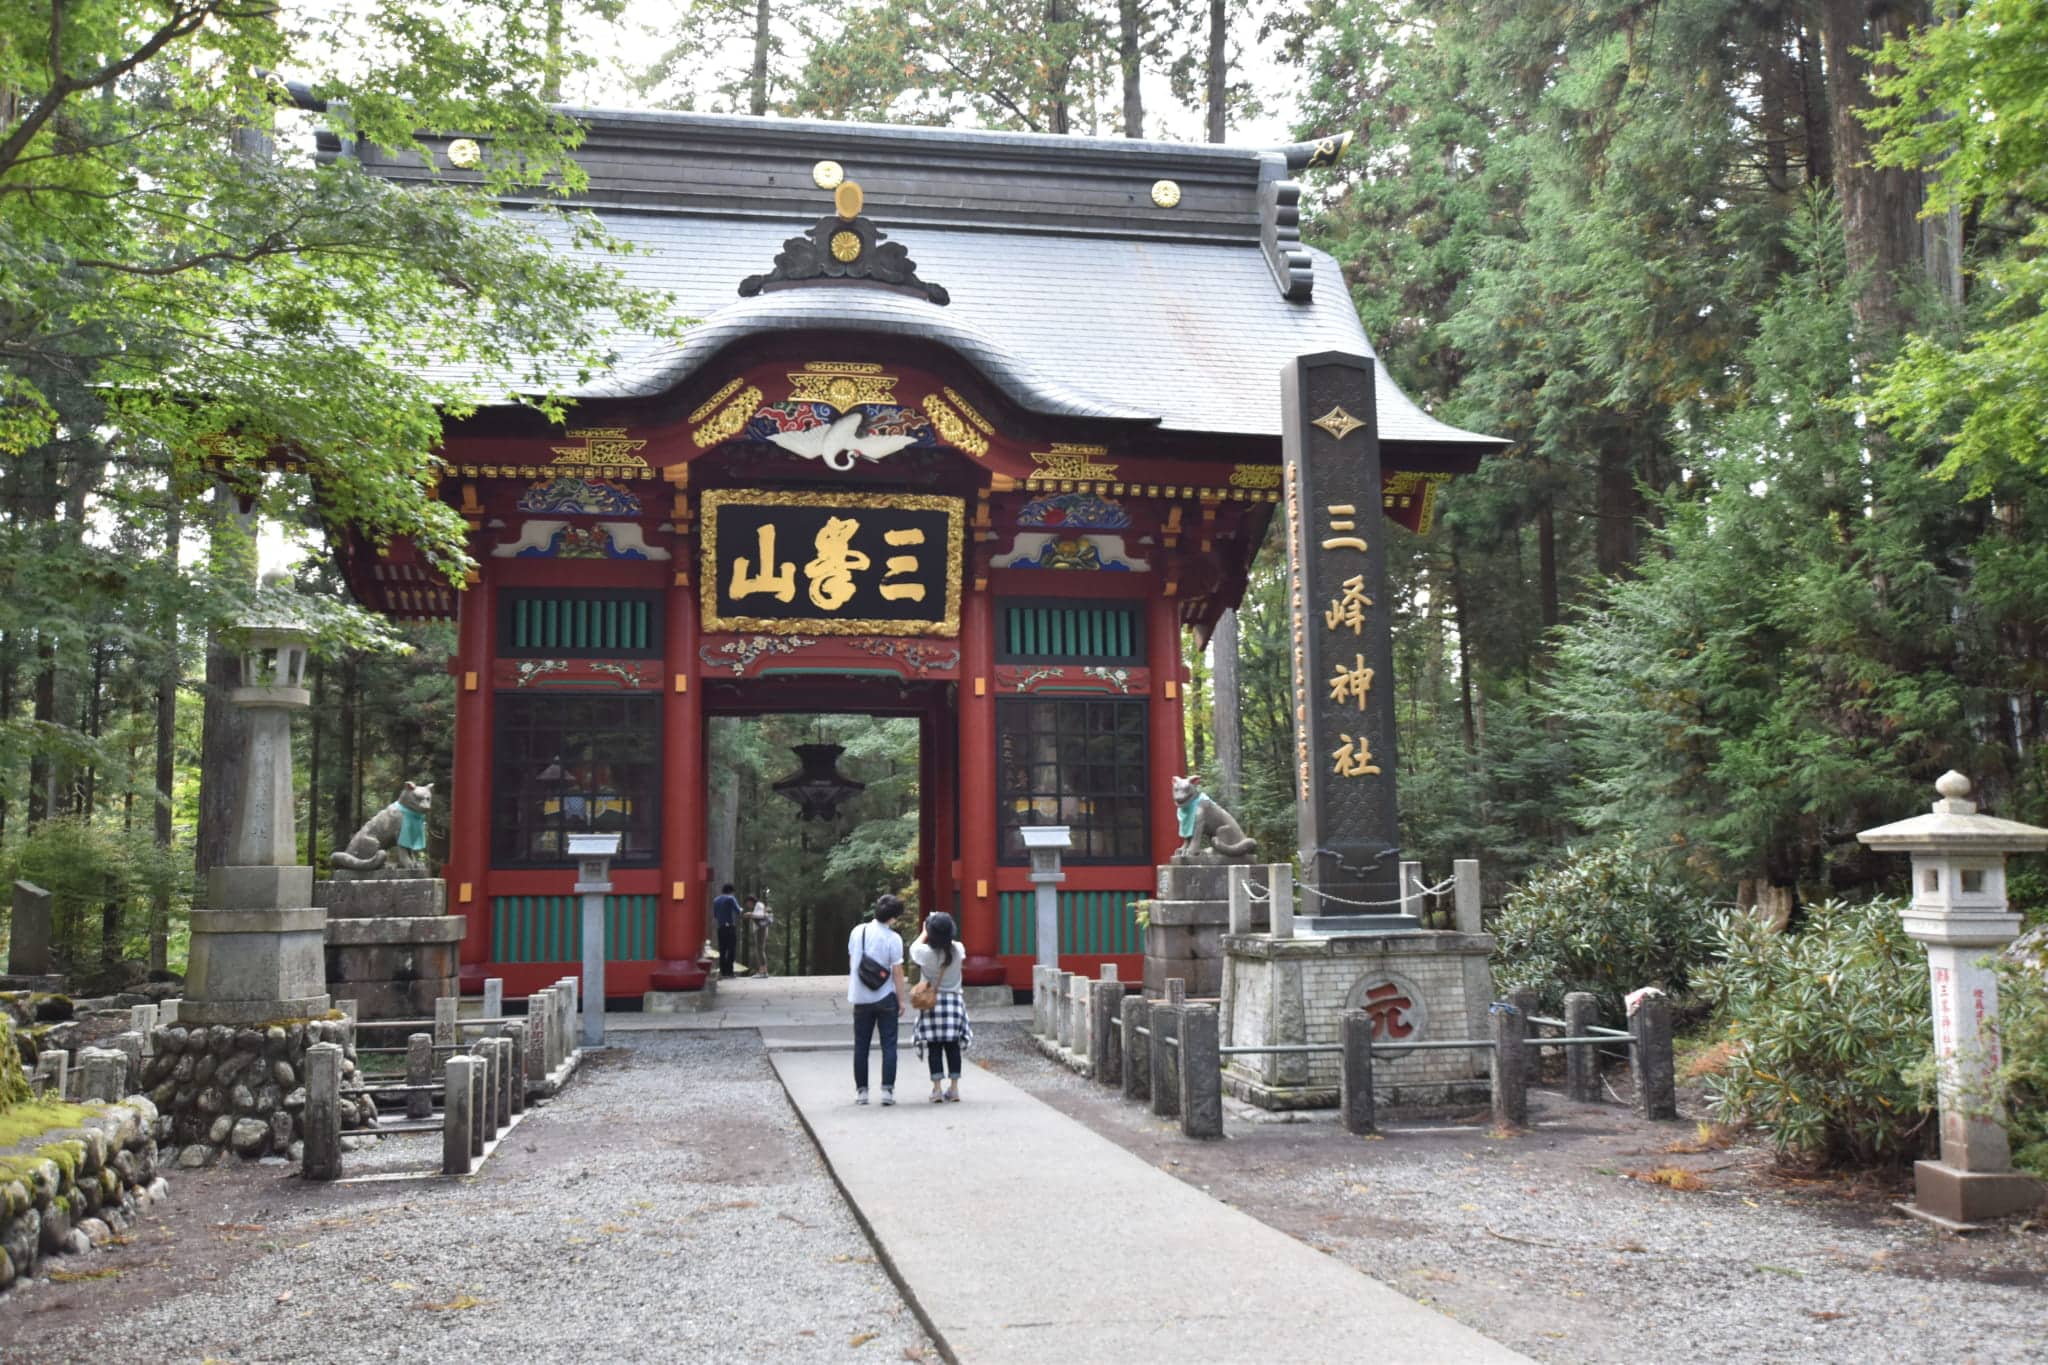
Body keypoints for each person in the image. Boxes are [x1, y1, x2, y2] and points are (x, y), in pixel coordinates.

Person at [848, 893, 908, 1106]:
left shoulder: (858, 931)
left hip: (861, 997)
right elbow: (897, 972)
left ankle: (861, 1092)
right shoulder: (893, 939)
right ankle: (887, 1092)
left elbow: (852, 960)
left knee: (861, 1045)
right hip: (885, 996)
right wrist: (901, 1000)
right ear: (892, 917)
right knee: (889, 1044)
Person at [910, 910, 972, 1103]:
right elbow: (953, 944)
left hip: (931, 1004)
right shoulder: (958, 949)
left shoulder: (924, 953)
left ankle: (936, 1089)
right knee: (953, 1047)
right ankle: (954, 1089)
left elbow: (913, 947)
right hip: (953, 1003)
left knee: (934, 1048)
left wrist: (924, 930)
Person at [710, 883, 743, 979]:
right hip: (730, 926)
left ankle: (723, 971)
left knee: (722, 949)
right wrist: (741, 909)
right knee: (731, 949)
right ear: (731, 891)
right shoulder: (731, 898)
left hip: (720, 927)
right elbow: (738, 910)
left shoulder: (716, 900)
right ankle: (730, 971)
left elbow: (715, 915)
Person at [746, 892, 774, 978]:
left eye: (747, 903)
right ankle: (762, 971)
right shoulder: (757, 906)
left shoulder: (759, 905)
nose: (747, 905)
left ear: (751, 901)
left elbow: (762, 915)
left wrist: (750, 914)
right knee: (759, 950)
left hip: (761, 930)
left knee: (760, 950)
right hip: (759, 930)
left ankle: (763, 972)